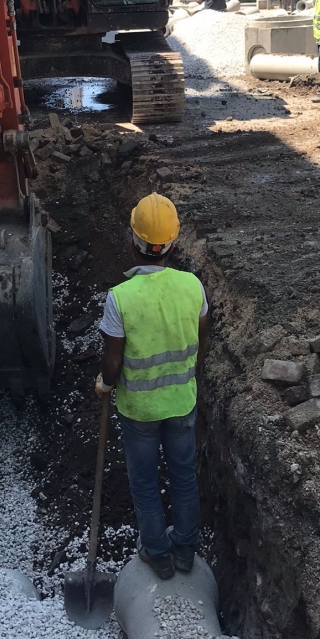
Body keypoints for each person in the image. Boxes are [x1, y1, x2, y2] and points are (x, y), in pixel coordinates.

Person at [96, 194, 210, 580]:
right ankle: (185, 551)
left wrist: (104, 383)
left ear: (133, 241)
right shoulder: (192, 286)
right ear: (172, 244)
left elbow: (113, 361)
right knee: (183, 476)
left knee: (144, 482)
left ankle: (158, 555)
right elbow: (201, 344)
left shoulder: (120, 298)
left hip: (139, 410)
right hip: (181, 402)